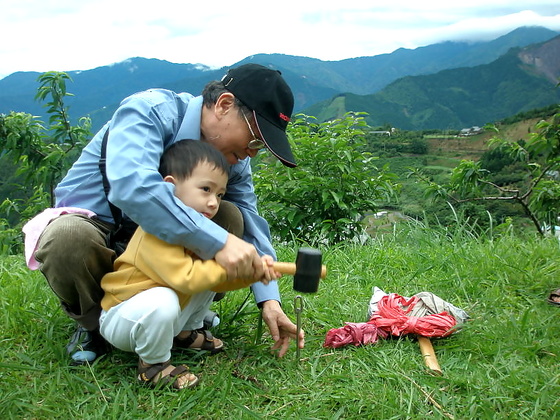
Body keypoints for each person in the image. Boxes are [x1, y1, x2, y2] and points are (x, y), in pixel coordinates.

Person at [30, 63, 305, 365]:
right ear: (224, 105)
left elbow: (251, 223)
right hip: (103, 235)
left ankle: (179, 321)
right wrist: (219, 243)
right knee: (67, 237)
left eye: (260, 147)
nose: (252, 152)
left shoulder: (233, 160)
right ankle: (94, 326)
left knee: (230, 217)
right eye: (255, 140)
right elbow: (134, 187)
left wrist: (269, 299)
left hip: (162, 250)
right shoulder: (149, 111)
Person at [100, 140, 281, 389]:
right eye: (205, 189)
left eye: (219, 194)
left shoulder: (198, 233)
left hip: (163, 313)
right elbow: (186, 277)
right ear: (169, 188)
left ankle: (185, 332)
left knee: (208, 274)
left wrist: (252, 274)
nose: (213, 202)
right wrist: (231, 268)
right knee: (165, 298)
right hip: (124, 318)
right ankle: (153, 365)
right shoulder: (155, 233)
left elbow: (215, 278)